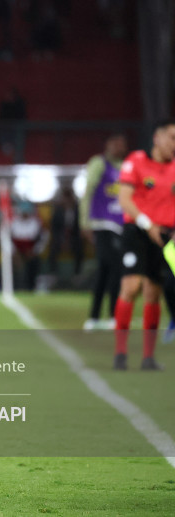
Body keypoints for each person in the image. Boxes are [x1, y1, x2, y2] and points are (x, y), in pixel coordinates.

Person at [113, 120, 175, 370]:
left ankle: (148, 357)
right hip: (138, 231)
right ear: (157, 138)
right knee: (131, 285)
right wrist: (147, 224)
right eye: (172, 137)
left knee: (153, 292)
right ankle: (120, 353)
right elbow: (125, 199)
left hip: (166, 235)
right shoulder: (136, 161)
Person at [80, 134, 127, 330]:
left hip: (121, 226)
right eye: (116, 143)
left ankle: (106, 316)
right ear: (108, 145)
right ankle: (99, 316)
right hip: (102, 224)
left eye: (122, 144)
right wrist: (84, 222)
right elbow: (88, 191)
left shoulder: (126, 167)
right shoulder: (99, 164)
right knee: (109, 267)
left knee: (112, 270)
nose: (119, 147)